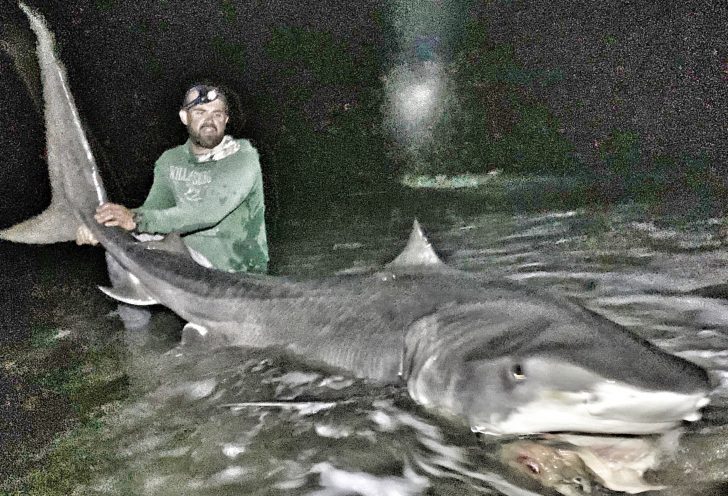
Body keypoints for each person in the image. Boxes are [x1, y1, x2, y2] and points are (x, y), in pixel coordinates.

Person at [78, 83, 269, 273]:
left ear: (226, 120)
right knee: (123, 243)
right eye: (200, 112)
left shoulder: (243, 156)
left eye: (217, 114)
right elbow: (154, 210)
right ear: (184, 117)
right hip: (184, 261)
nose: (210, 121)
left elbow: (205, 212)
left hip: (238, 272)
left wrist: (135, 219)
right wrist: (105, 226)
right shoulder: (170, 160)